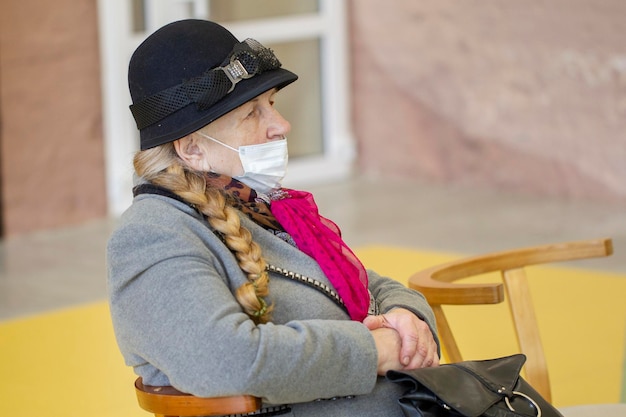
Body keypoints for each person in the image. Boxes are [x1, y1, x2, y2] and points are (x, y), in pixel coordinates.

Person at [107, 19, 439, 417]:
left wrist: (406, 318)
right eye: (251, 113)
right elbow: (228, 360)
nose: (281, 126)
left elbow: (363, 283)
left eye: (272, 105)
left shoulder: (255, 205)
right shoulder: (152, 236)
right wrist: (374, 352)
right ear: (192, 149)